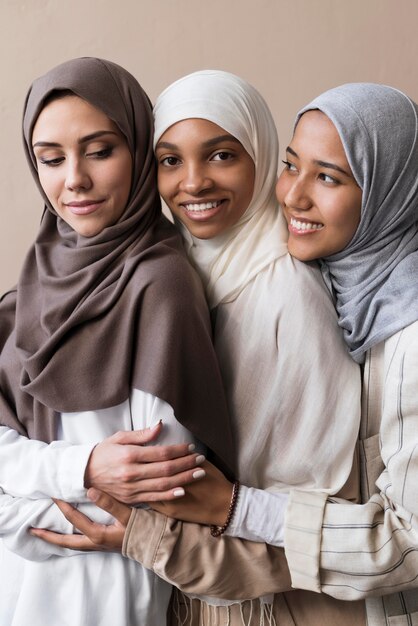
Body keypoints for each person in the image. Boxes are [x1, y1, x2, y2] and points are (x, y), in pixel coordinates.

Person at [34, 71, 367, 625]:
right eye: (169, 160)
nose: (192, 183)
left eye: (220, 156)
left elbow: (320, 509)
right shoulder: (178, 271)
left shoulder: (286, 291)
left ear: (259, 156)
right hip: (198, 588)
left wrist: (148, 534)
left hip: (275, 602)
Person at [0, 58, 235, 626]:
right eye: (51, 159)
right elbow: (98, 479)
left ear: (138, 149)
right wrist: (81, 468)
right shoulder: (34, 279)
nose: (73, 179)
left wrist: (14, 490)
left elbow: (151, 488)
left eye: (100, 151)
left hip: (99, 595)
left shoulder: (160, 283)